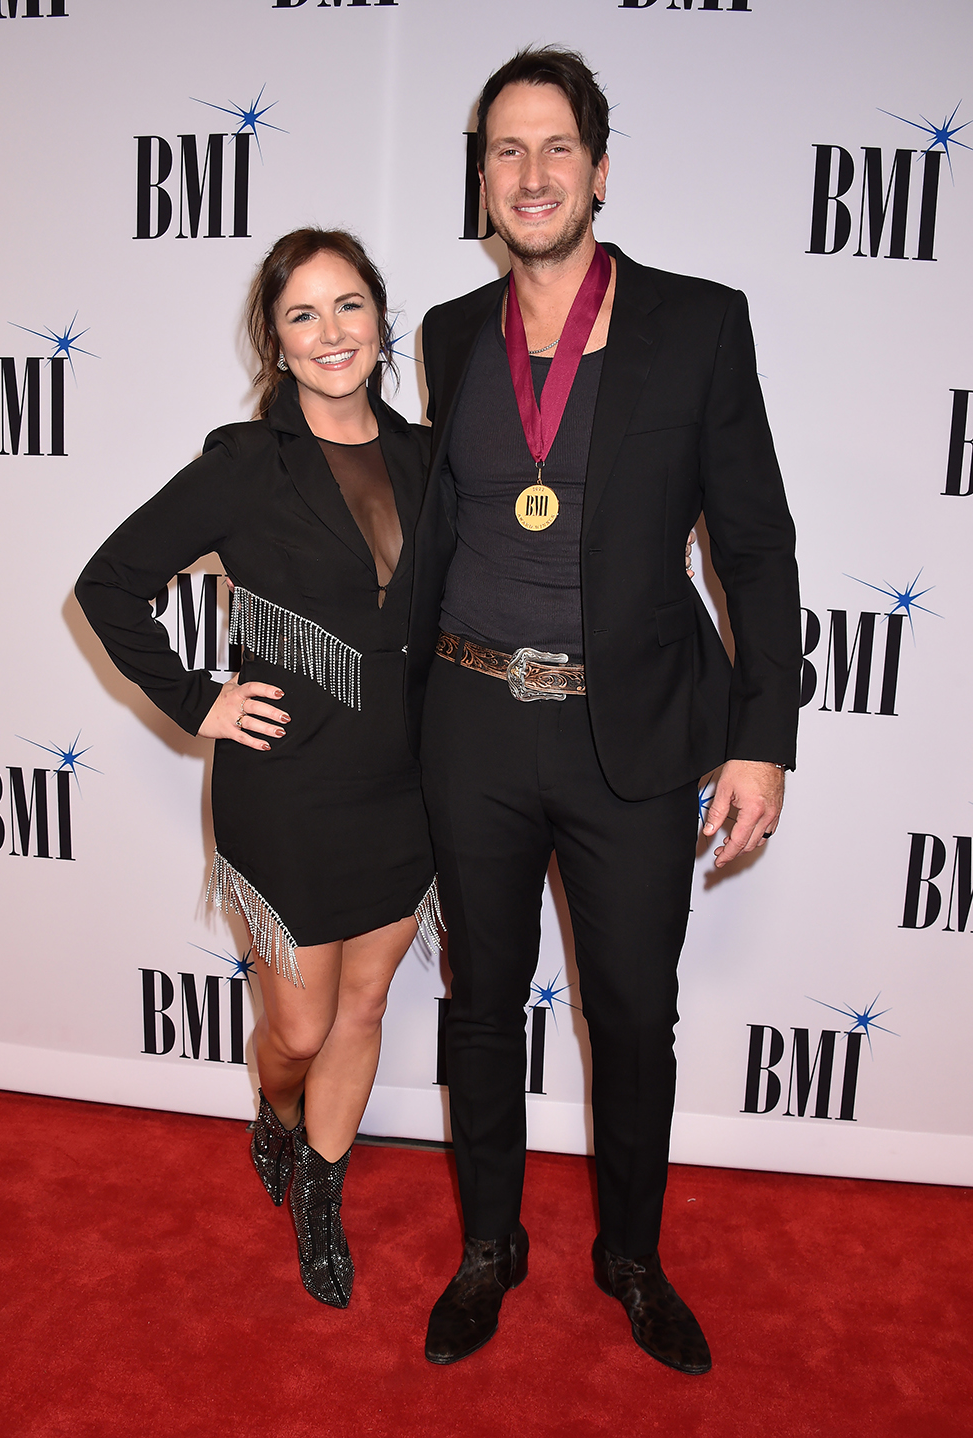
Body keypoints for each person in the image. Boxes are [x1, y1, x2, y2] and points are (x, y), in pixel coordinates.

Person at [406, 50, 801, 1372]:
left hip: (628, 734)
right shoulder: (454, 333)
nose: (530, 175)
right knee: (480, 1003)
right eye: (506, 152)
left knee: (633, 1010)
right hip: (471, 719)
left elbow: (755, 548)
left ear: (601, 169)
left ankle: (629, 1252)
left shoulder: (696, 324)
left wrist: (763, 735)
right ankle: (489, 1244)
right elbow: (439, 532)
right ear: (484, 179)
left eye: (555, 148)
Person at [76, 228, 439, 1309]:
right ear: (275, 342)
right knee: (296, 1027)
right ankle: (278, 1114)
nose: (332, 333)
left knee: (364, 1007)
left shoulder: (429, 456)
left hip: (407, 783)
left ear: (382, 321)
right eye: (303, 315)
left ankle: (319, 1188)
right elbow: (109, 584)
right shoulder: (244, 461)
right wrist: (200, 699)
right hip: (286, 785)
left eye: (349, 308)